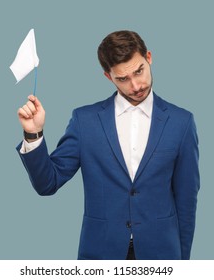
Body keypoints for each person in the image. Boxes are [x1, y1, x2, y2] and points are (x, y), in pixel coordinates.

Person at [16, 30, 200, 260]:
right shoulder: (85, 121)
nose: (135, 85)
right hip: (101, 254)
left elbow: (186, 201)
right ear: (108, 76)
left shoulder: (181, 122)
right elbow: (47, 184)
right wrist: (33, 134)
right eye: (123, 78)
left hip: (161, 253)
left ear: (149, 58)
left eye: (139, 71)